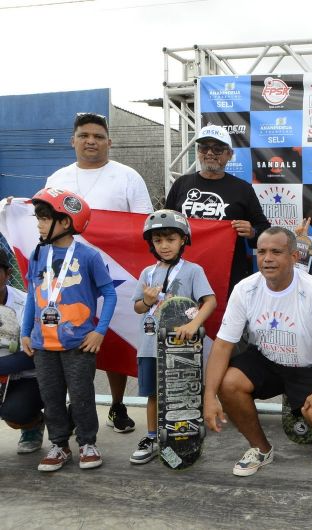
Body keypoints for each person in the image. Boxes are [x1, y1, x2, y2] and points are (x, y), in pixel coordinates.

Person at [203, 227, 312, 476]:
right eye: (261, 251)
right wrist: (209, 396)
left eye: (276, 251)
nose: (267, 258)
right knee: (228, 384)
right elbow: (222, 344)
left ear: (294, 257)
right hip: (268, 359)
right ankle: (261, 449)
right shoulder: (245, 289)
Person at [46, 112, 153, 435]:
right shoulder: (57, 179)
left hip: (115, 274)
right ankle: (76, 404)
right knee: (69, 338)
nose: (90, 141)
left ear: (109, 141)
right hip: (66, 277)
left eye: (97, 136)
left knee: (115, 337)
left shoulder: (127, 177)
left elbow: (145, 225)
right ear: (73, 140)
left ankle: (117, 404)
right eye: (84, 135)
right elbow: (42, 219)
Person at [21, 188, 117, 472]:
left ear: (65, 222)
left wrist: (99, 331)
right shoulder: (37, 253)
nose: (38, 223)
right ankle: (59, 445)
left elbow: (109, 293)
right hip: (42, 344)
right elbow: (31, 294)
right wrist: (27, 332)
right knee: (51, 399)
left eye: (43, 217)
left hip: (78, 343)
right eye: (37, 217)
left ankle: (88, 443)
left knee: (81, 395)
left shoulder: (88, 256)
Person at [129, 210, 217, 464]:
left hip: (182, 349)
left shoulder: (193, 271)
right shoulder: (147, 272)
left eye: (170, 239)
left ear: (183, 240)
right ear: (151, 244)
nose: (164, 245)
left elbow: (209, 301)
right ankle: (152, 437)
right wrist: (146, 301)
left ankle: (187, 435)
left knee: (184, 394)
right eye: (158, 240)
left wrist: (195, 323)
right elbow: (137, 307)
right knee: (153, 394)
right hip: (149, 347)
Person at [165, 124, 270, 296]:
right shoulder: (181, 184)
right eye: (204, 147)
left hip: (228, 272)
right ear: (198, 152)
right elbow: (165, 225)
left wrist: (252, 232)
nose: (210, 153)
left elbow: (265, 230)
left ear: (229, 154)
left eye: (218, 149)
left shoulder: (243, 189)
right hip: (183, 269)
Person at [0, 251, 44, 454]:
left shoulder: (27, 303)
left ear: (8, 273)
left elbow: (36, 353)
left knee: (16, 412)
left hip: (27, 378)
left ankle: (33, 424)